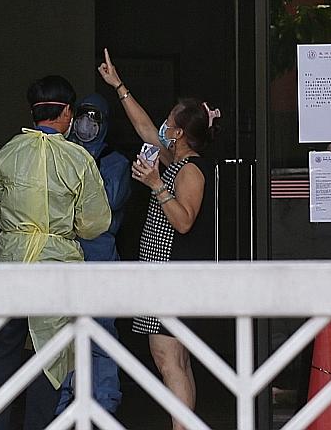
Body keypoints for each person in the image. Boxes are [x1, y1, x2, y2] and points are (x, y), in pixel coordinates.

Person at [98, 50, 219, 430]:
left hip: (172, 274)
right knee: (175, 359)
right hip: (164, 271)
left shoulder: (192, 171)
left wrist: (154, 185)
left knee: (169, 359)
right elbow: (146, 130)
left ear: (181, 133)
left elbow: (183, 222)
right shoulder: (178, 161)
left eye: (170, 121)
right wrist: (119, 86)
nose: (163, 126)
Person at [0, 76, 111, 430]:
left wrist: (20, 230)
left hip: (12, 264)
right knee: (50, 356)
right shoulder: (78, 159)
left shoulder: (7, 153)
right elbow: (95, 221)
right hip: (55, 266)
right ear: (67, 112)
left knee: (3, 353)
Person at [56, 93, 131, 417]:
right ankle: (65, 402)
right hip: (66, 254)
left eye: (94, 117)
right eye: (82, 116)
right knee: (63, 335)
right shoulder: (61, 154)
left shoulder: (116, 162)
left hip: (100, 255)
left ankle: (104, 404)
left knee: (100, 333)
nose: (87, 123)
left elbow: (106, 203)